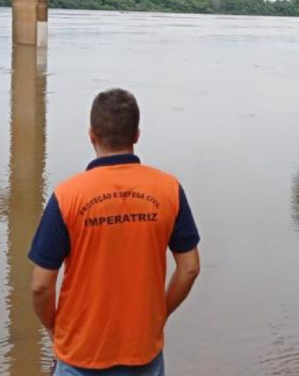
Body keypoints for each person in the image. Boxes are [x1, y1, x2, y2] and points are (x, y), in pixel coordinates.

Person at [29, 88, 201, 376]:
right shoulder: (168, 189)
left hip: (80, 354)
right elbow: (190, 268)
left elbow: (41, 286)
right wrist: (160, 313)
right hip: (143, 351)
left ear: (92, 135)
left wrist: (53, 327)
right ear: (136, 135)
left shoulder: (67, 197)